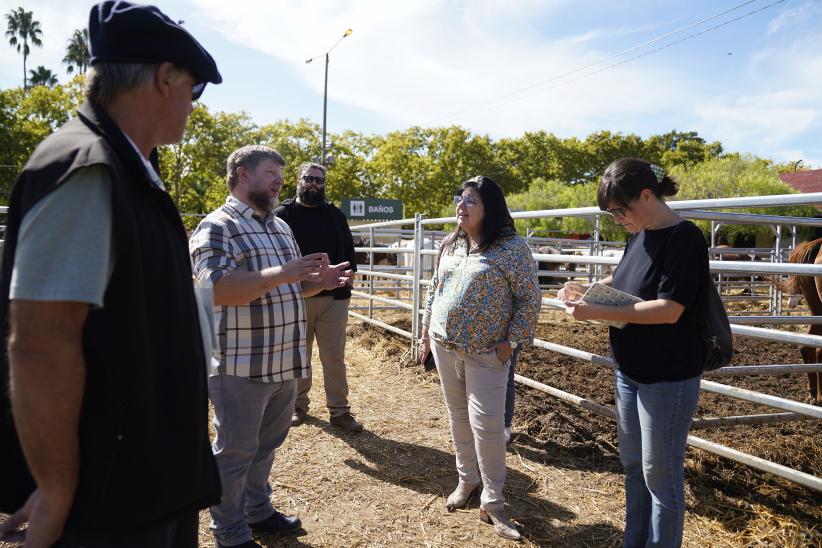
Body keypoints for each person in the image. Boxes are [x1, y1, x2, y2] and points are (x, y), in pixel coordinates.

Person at [0, 2, 223, 547]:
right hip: (110, 504)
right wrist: (54, 489)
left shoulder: (126, 166)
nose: (194, 106)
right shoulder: (87, 168)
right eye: (194, 89)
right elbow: (40, 343)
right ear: (164, 77)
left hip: (146, 484)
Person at [190, 145, 352, 548]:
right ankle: (228, 532)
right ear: (243, 174)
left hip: (283, 361)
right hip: (240, 365)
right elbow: (216, 290)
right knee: (235, 452)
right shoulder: (217, 226)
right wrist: (284, 273)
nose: (280, 180)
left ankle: (257, 511)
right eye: (271, 173)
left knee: (265, 446)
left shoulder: (279, 227)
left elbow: (293, 286)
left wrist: (322, 283)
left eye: (281, 173)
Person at [559, 158, 707, 548]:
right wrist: (586, 286)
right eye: (611, 214)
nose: (617, 219)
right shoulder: (639, 234)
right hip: (630, 371)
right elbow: (625, 275)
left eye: (619, 211)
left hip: (667, 377)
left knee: (661, 477)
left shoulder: (685, 238)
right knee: (634, 467)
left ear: (646, 194)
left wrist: (597, 312)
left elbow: (669, 309)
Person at [419, 176, 541, 541]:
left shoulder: (511, 249)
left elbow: (529, 300)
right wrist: (425, 333)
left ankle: (494, 499)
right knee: (458, 418)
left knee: (487, 426)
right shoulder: (451, 244)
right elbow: (434, 289)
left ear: (491, 207)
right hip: (444, 345)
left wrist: (510, 343)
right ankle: (467, 480)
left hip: (487, 352)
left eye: (471, 200)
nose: (462, 205)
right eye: (460, 199)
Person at [275, 162, 362, 432]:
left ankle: (339, 411)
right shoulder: (282, 215)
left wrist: (350, 277)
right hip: (295, 296)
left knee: (333, 356)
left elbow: (349, 254)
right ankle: (297, 406)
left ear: (324, 184)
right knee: (299, 354)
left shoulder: (335, 215)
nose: (313, 184)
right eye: (308, 178)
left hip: (333, 298)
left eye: (319, 180)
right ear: (298, 181)